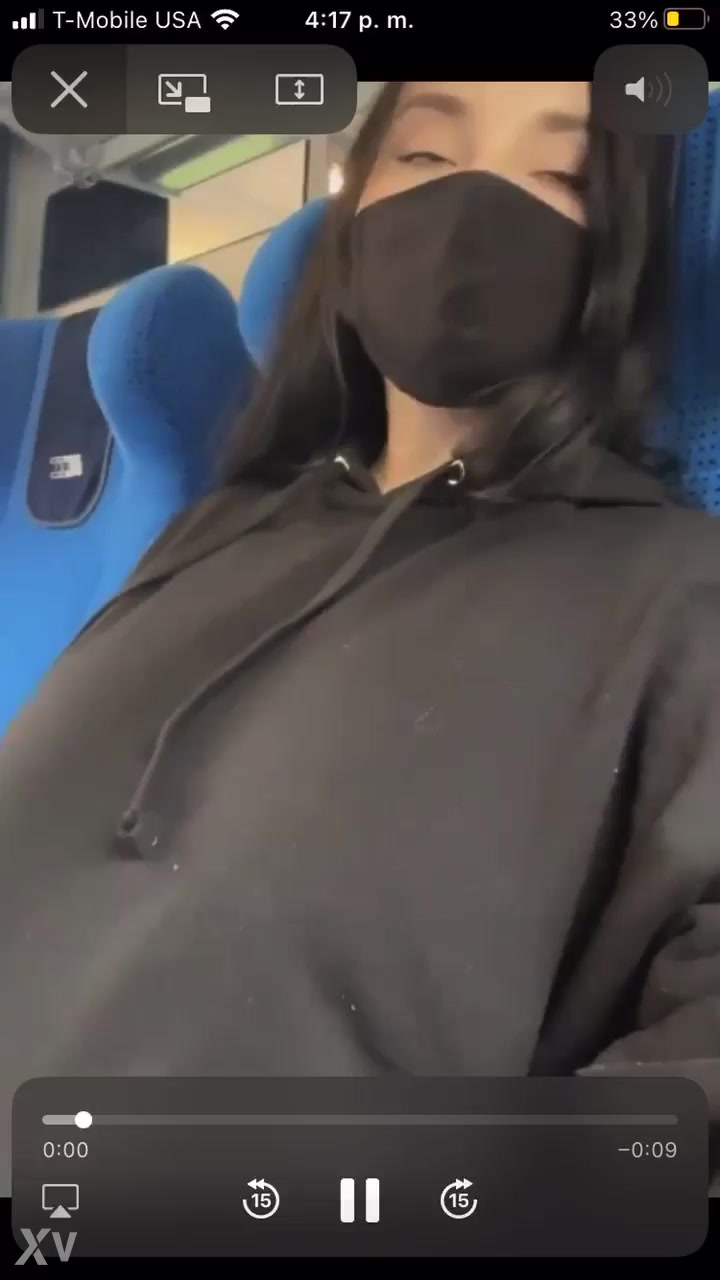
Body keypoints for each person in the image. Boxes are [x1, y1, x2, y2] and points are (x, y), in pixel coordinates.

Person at [1, 81, 719, 1177]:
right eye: (424, 157)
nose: (471, 207)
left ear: (622, 259)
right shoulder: (215, 528)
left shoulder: (674, 586)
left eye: (560, 175)